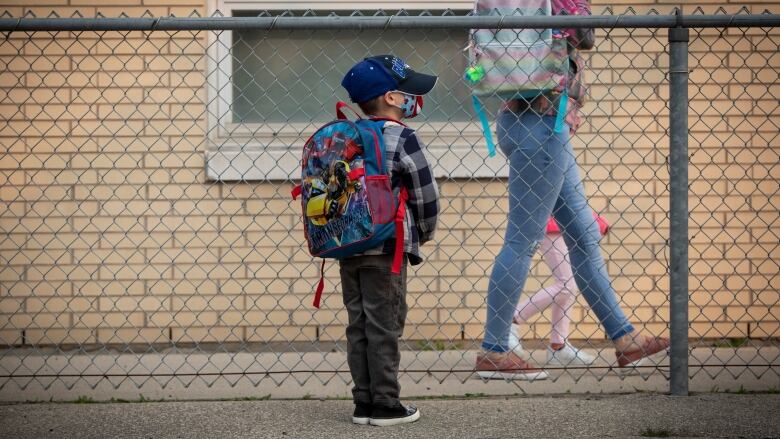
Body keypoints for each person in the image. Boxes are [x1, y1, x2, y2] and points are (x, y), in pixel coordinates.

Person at [475, 0, 669, 380]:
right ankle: (494, 349)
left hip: (532, 122)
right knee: (521, 239)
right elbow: (585, 31)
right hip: (542, 126)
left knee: (582, 233)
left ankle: (625, 340)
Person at [339, 55, 440, 425]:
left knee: (359, 324)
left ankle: (363, 402)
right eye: (408, 90)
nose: (414, 97)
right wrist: (423, 234)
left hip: (347, 246)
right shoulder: (403, 137)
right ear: (393, 98)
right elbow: (424, 194)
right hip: (388, 249)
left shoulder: (347, 135)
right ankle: (385, 404)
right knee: (385, 325)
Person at [507, 214, 610, 366]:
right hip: (551, 221)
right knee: (566, 284)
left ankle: (559, 346)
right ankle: (510, 322)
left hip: (562, 222)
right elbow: (563, 195)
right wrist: (593, 220)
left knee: (569, 285)